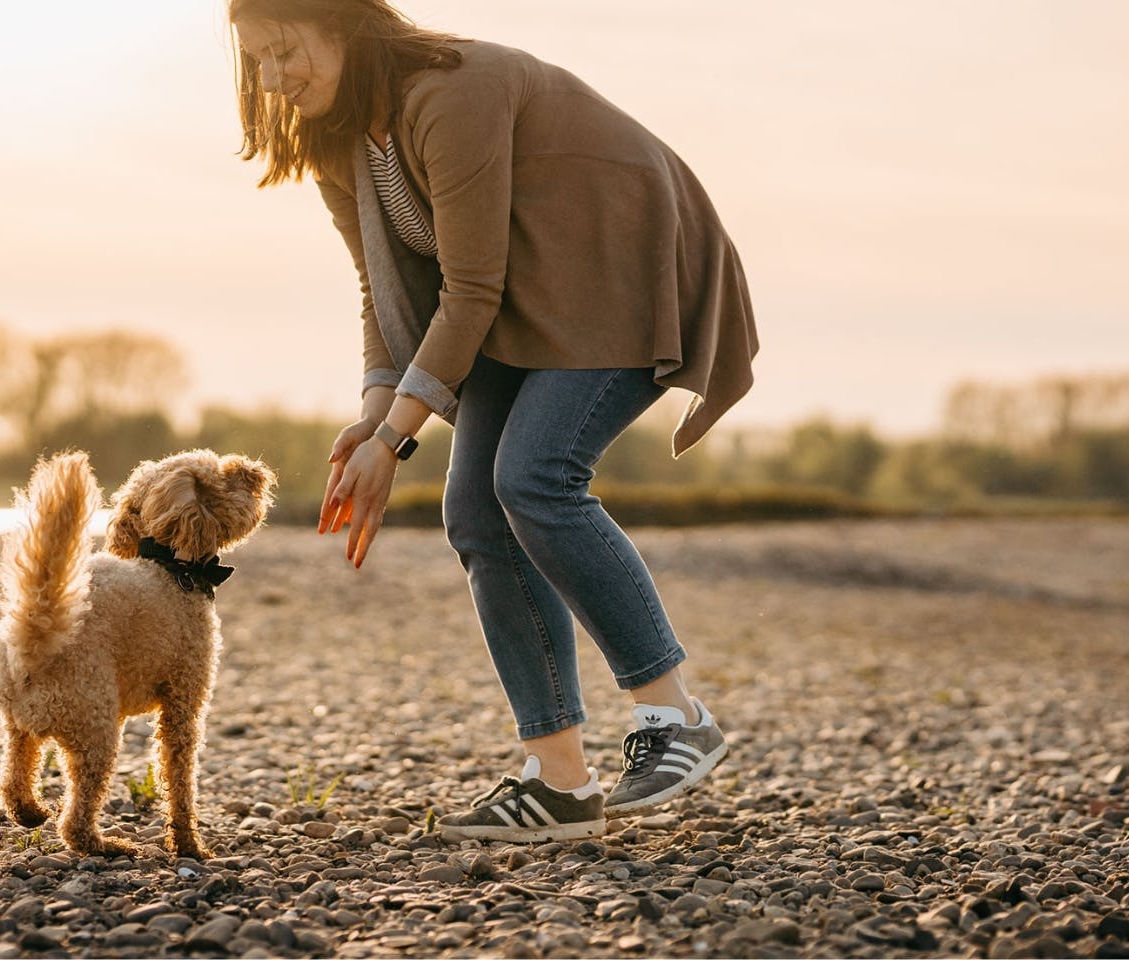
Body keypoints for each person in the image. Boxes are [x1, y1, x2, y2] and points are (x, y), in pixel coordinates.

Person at [228, 0, 757, 842]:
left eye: (287, 47)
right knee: (476, 508)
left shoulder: (450, 91)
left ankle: (674, 717)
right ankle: (560, 781)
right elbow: (385, 290)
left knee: (535, 478)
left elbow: (469, 287)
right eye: (254, 57)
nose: (273, 74)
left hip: (615, 269)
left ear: (348, 27)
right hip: (522, 307)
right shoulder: (336, 141)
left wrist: (398, 438)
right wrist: (374, 416)